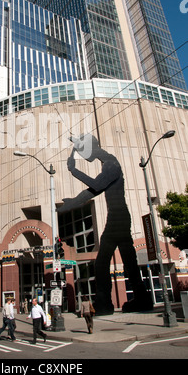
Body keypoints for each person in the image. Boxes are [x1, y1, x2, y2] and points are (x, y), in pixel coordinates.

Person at [59, 134, 153, 315]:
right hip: (119, 216)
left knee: (102, 263)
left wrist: (74, 171)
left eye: (83, 151)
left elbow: (96, 185)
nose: (84, 156)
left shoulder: (111, 163)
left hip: (117, 217)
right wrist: (73, 202)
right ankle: (141, 299)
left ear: (91, 148)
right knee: (129, 261)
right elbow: (92, 191)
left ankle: (104, 303)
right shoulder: (108, 163)